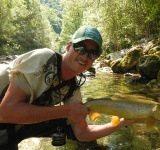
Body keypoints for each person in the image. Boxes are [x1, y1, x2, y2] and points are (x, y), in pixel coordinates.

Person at [0, 26, 144, 149]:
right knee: (63, 116)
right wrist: (67, 111)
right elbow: (5, 112)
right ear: (69, 47)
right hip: (6, 116)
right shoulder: (44, 58)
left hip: (8, 132)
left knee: (65, 124)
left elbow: (82, 133)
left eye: (92, 53)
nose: (85, 56)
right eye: (80, 48)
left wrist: (124, 122)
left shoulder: (73, 89)